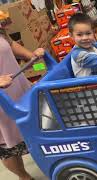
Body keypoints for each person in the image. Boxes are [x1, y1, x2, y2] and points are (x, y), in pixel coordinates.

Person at [0, 26, 44, 180]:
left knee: (34, 129)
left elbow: (9, 44)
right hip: (1, 101)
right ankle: (24, 176)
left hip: (19, 89)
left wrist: (31, 56)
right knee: (8, 145)